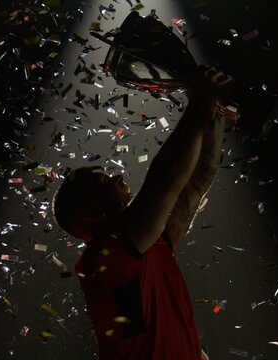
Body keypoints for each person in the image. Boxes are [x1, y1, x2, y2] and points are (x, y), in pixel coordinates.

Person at [52, 65, 233, 360]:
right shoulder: (105, 259)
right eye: (104, 180)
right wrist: (200, 100)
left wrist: (213, 114)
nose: (120, 179)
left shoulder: (145, 245)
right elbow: (168, 179)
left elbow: (196, 182)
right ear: (92, 211)